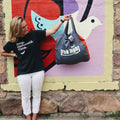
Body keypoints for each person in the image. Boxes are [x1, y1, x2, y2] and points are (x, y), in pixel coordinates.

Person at [1, 15, 71, 120]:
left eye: (25, 25)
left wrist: (62, 20)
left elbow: (52, 31)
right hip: (23, 73)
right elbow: (3, 52)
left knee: (36, 95)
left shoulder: (34, 34)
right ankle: (28, 117)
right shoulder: (13, 42)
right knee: (25, 96)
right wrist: (14, 55)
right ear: (17, 30)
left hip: (38, 71)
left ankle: (34, 117)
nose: (26, 28)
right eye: (23, 28)